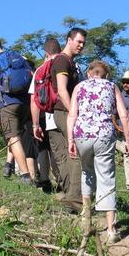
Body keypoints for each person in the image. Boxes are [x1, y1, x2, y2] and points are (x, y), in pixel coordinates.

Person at [67, 60, 129, 243]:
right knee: (107, 178)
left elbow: (72, 114)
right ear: (106, 75)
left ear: (89, 73)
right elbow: (124, 116)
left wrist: (71, 140)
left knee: (86, 172)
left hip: (82, 136)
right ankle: (111, 229)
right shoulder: (112, 87)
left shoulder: (79, 87)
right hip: (104, 135)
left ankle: (86, 219)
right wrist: (127, 141)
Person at [0, 36, 32, 185]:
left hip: (8, 104)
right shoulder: (18, 57)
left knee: (13, 137)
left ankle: (25, 175)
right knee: (13, 133)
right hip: (25, 103)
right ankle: (8, 165)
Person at [49, 28, 86, 210]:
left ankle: (71, 196)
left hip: (65, 112)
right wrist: (74, 112)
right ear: (68, 40)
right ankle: (75, 199)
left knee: (71, 154)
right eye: (78, 42)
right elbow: (62, 90)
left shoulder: (70, 62)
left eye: (83, 43)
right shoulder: (63, 60)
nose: (81, 46)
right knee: (78, 153)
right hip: (64, 112)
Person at [30, 37, 62, 191]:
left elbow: (34, 100)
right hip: (65, 116)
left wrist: (35, 124)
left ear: (46, 53)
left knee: (43, 149)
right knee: (59, 151)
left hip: (45, 117)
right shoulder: (71, 64)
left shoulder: (40, 70)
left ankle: (44, 179)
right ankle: (63, 181)